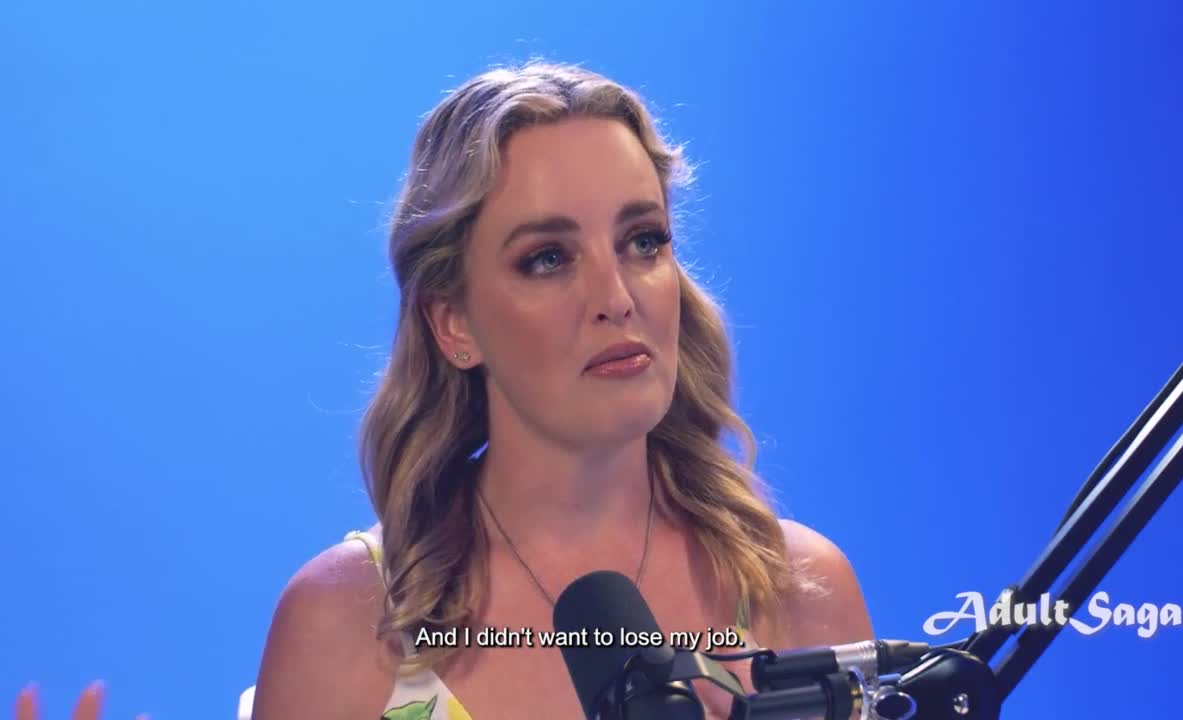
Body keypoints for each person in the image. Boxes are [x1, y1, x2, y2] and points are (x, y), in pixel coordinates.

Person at [13, 59, 873, 720]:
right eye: (548, 258)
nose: (617, 296)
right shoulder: (344, 624)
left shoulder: (799, 590)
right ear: (452, 321)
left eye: (643, 240)